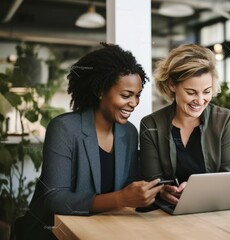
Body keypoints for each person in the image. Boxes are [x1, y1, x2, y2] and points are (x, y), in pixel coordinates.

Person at [12, 43, 163, 240]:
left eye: (137, 95)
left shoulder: (129, 132)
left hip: (104, 229)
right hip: (54, 232)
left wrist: (155, 191)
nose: (134, 103)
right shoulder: (64, 128)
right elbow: (55, 199)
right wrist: (120, 198)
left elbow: (128, 184)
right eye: (126, 95)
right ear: (100, 91)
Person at [139, 43, 230, 205]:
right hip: (169, 211)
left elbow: (229, 178)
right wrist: (163, 191)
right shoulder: (151, 124)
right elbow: (152, 181)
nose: (200, 101)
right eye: (191, 92)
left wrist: (196, 189)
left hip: (213, 206)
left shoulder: (225, 120)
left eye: (206, 91)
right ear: (172, 85)